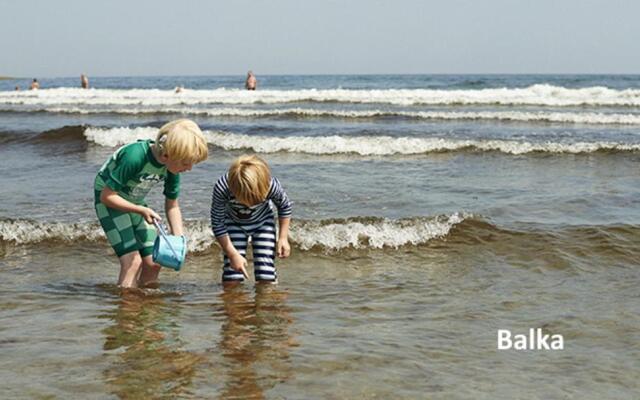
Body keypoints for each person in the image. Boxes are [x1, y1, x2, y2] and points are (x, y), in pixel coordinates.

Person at [94, 119, 209, 288]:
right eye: (186, 163)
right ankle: (127, 309)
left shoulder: (172, 168)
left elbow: (172, 205)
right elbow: (107, 196)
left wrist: (178, 239)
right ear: (166, 155)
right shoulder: (135, 157)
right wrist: (140, 210)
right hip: (110, 201)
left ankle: (147, 306)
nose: (189, 168)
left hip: (135, 201)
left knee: (154, 261)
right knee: (133, 262)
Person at [210, 155, 292, 283]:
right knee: (233, 274)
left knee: (266, 273)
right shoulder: (223, 187)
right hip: (233, 223)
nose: (249, 205)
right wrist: (232, 254)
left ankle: (267, 300)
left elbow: (284, 207)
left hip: (263, 223)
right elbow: (218, 223)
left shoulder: (270, 185)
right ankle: (234, 300)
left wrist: (283, 238)